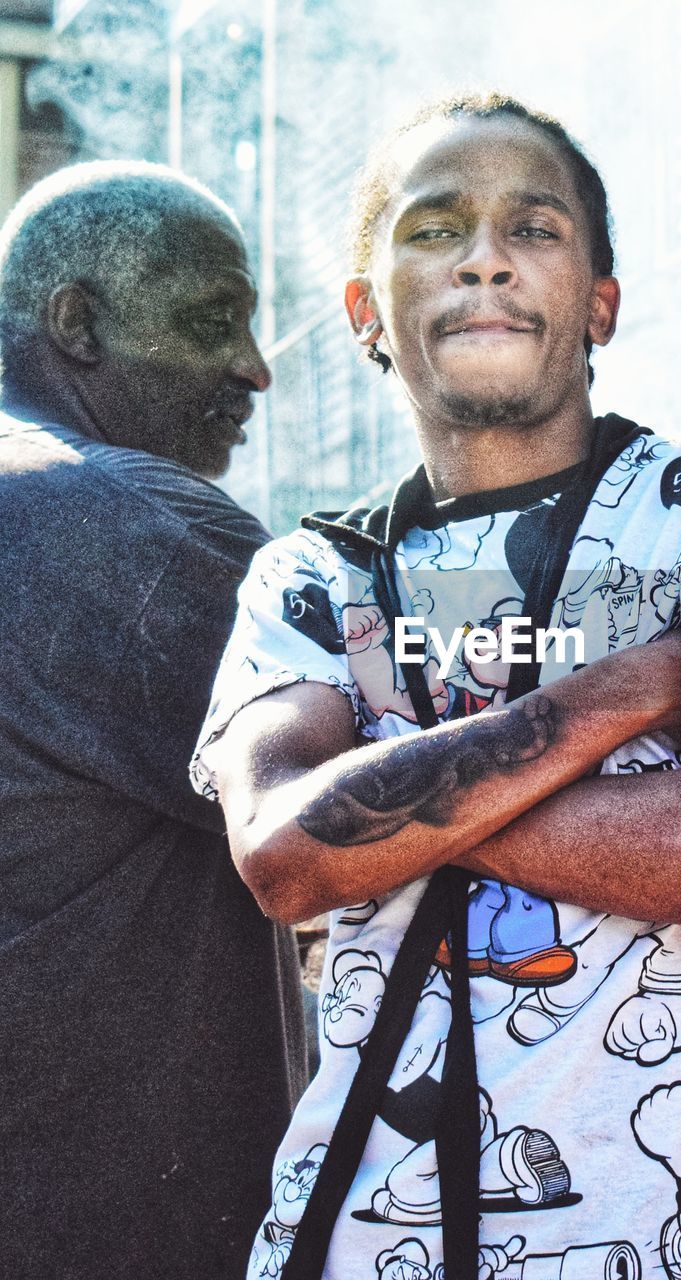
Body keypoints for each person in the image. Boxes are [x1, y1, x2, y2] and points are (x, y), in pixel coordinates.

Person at [193, 95, 681, 1280]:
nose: (484, 256)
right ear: (368, 311)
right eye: (434, 228)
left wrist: (389, 813)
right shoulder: (312, 571)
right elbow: (283, 857)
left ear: (600, 301)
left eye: (536, 227)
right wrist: (625, 689)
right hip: (351, 1241)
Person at [0, 162, 307, 1280]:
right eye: (210, 320)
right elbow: (441, 677)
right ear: (78, 324)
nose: (253, 367)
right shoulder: (112, 518)